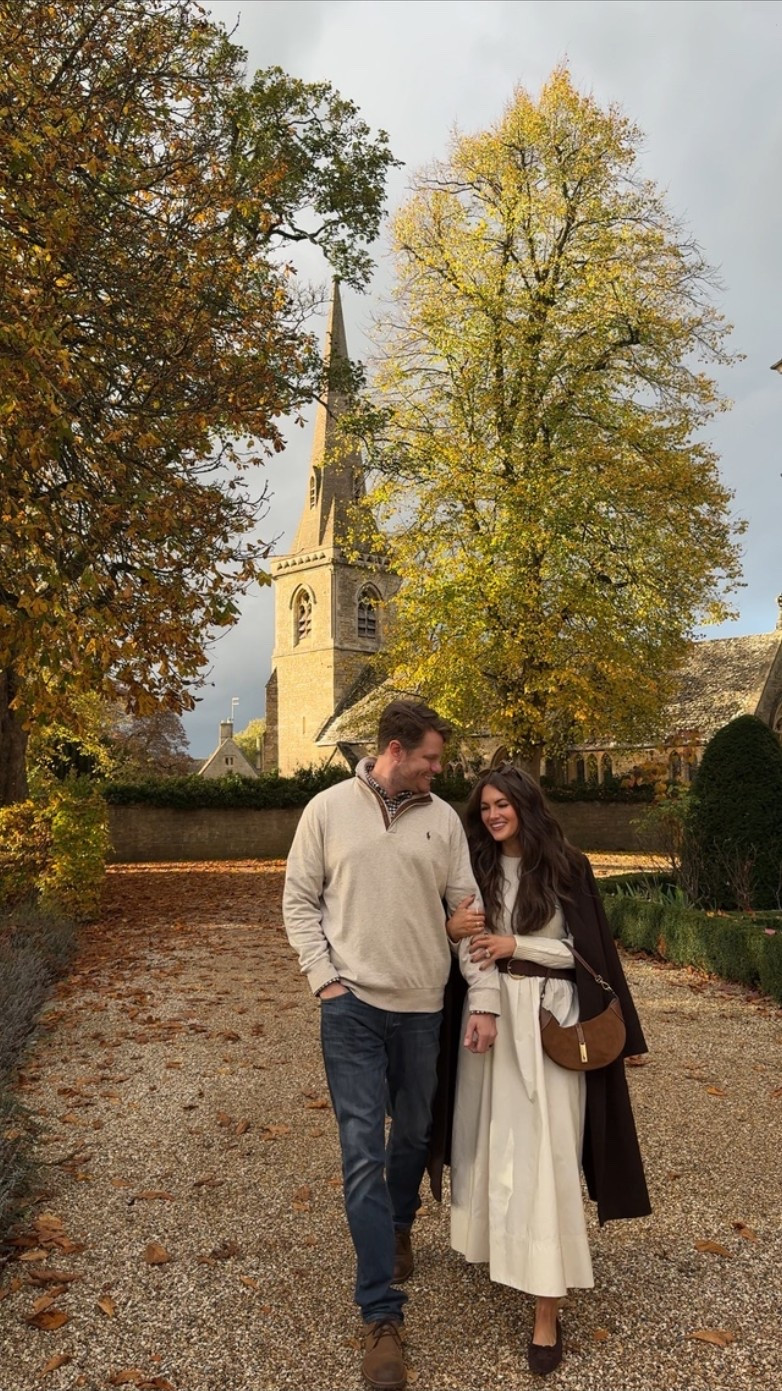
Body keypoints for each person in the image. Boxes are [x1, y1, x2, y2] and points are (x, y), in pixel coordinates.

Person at [283, 700, 500, 1391]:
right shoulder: (325, 810)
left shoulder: (442, 822)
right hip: (350, 1012)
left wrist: (483, 998)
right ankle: (382, 1314)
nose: (442, 769)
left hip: (421, 1011)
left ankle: (400, 1221)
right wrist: (325, 981)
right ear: (395, 750)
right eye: (432, 757)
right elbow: (298, 900)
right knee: (360, 1150)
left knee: (412, 1135)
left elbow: (469, 918)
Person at [446, 766, 650, 1377]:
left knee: (550, 1156)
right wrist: (466, 940)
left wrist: (518, 946)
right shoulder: (476, 866)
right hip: (489, 1020)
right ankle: (507, 1256)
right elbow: (465, 942)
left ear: (526, 806)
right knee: (494, 1148)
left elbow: (586, 955)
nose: (492, 816)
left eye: (502, 804)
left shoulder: (566, 866)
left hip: (549, 1025)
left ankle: (546, 1312)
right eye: (484, 807)